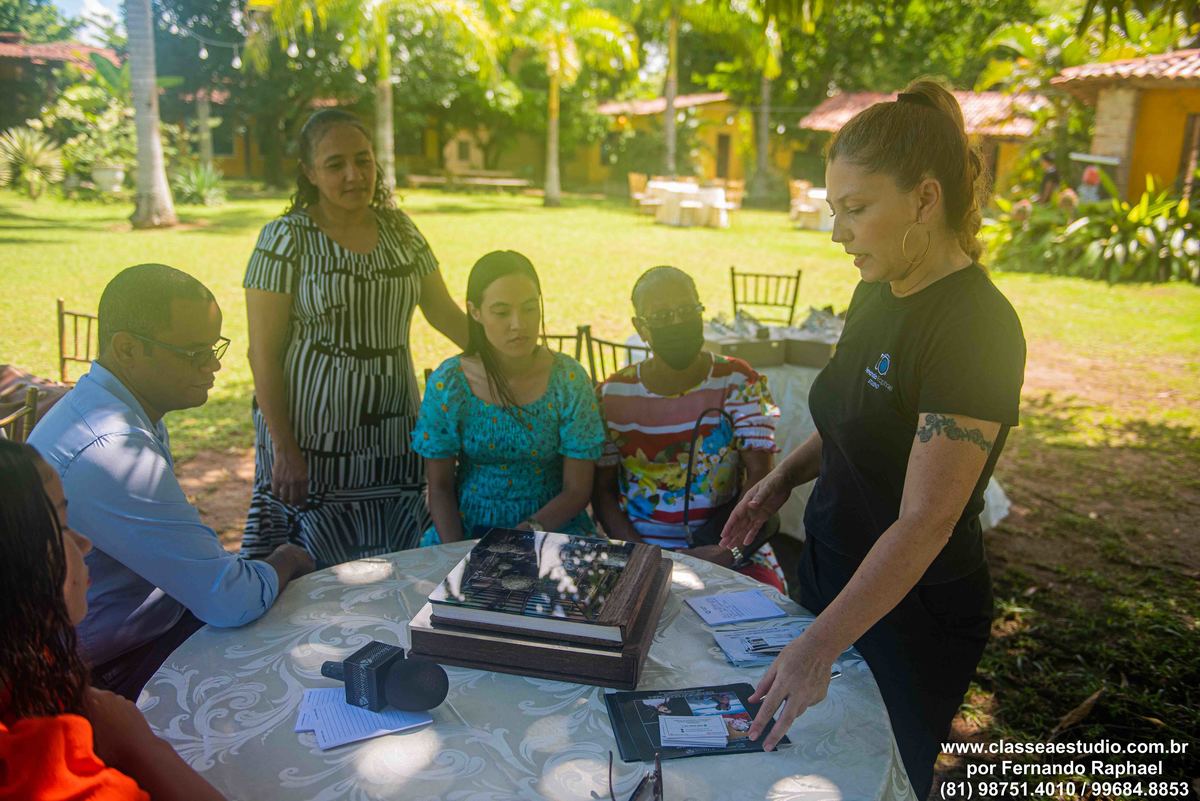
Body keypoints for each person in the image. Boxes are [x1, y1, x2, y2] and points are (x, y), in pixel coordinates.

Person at [720, 80, 1026, 799]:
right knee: (793, 769)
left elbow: (927, 519)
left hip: (913, 612)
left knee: (876, 777)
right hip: (830, 568)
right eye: (835, 210)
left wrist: (818, 645)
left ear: (925, 199)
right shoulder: (876, 288)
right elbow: (851, 413)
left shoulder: (975, 327)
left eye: (855, 209)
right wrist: (780, 480)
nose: (838, 233)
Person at [29, 264, 314, 701]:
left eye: (215, 347)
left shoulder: (114, 407)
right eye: (194, 352)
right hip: (104, 672)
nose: (214, 364)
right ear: (127, 349)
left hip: (141, 635)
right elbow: (229, 599)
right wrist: (288, 559)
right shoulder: (111, 447)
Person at [243, 108, 469, 567]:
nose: (354, 174)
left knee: (395, 566)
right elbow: (261, 353)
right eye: (335, 164)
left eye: (363, 160)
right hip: (311, 441)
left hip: (393, 434)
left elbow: (445, 313)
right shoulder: (284, 239)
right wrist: (285, 449)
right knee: (310, 575)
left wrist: (517, 356)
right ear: (309, 172)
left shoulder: (401, 231)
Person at [0, 440, 225, 800]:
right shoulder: (41, 769)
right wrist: (137, 745)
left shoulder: (30, 665)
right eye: (58, 527)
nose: (84, 543)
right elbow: (228, 598)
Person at [592, 266, 787, 591]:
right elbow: (602, 492)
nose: (676, 323)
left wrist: (728, 550)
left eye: (686, 311)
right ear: (640, 328)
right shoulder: (611, 395)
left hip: (727, 542)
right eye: (662, 316)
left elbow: (761, 479)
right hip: (639, 547)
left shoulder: (740, 381)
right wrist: (643, 555)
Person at [412, 251, 604, 542]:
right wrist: (457, 555)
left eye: (529, 309)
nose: (518, 324)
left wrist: (522, 536)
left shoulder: (568, 379)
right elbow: (439, 487)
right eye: (501, 312)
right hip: (465, 533)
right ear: (475, 312)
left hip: (553, 530)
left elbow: (577, 490)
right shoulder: (450, 383)